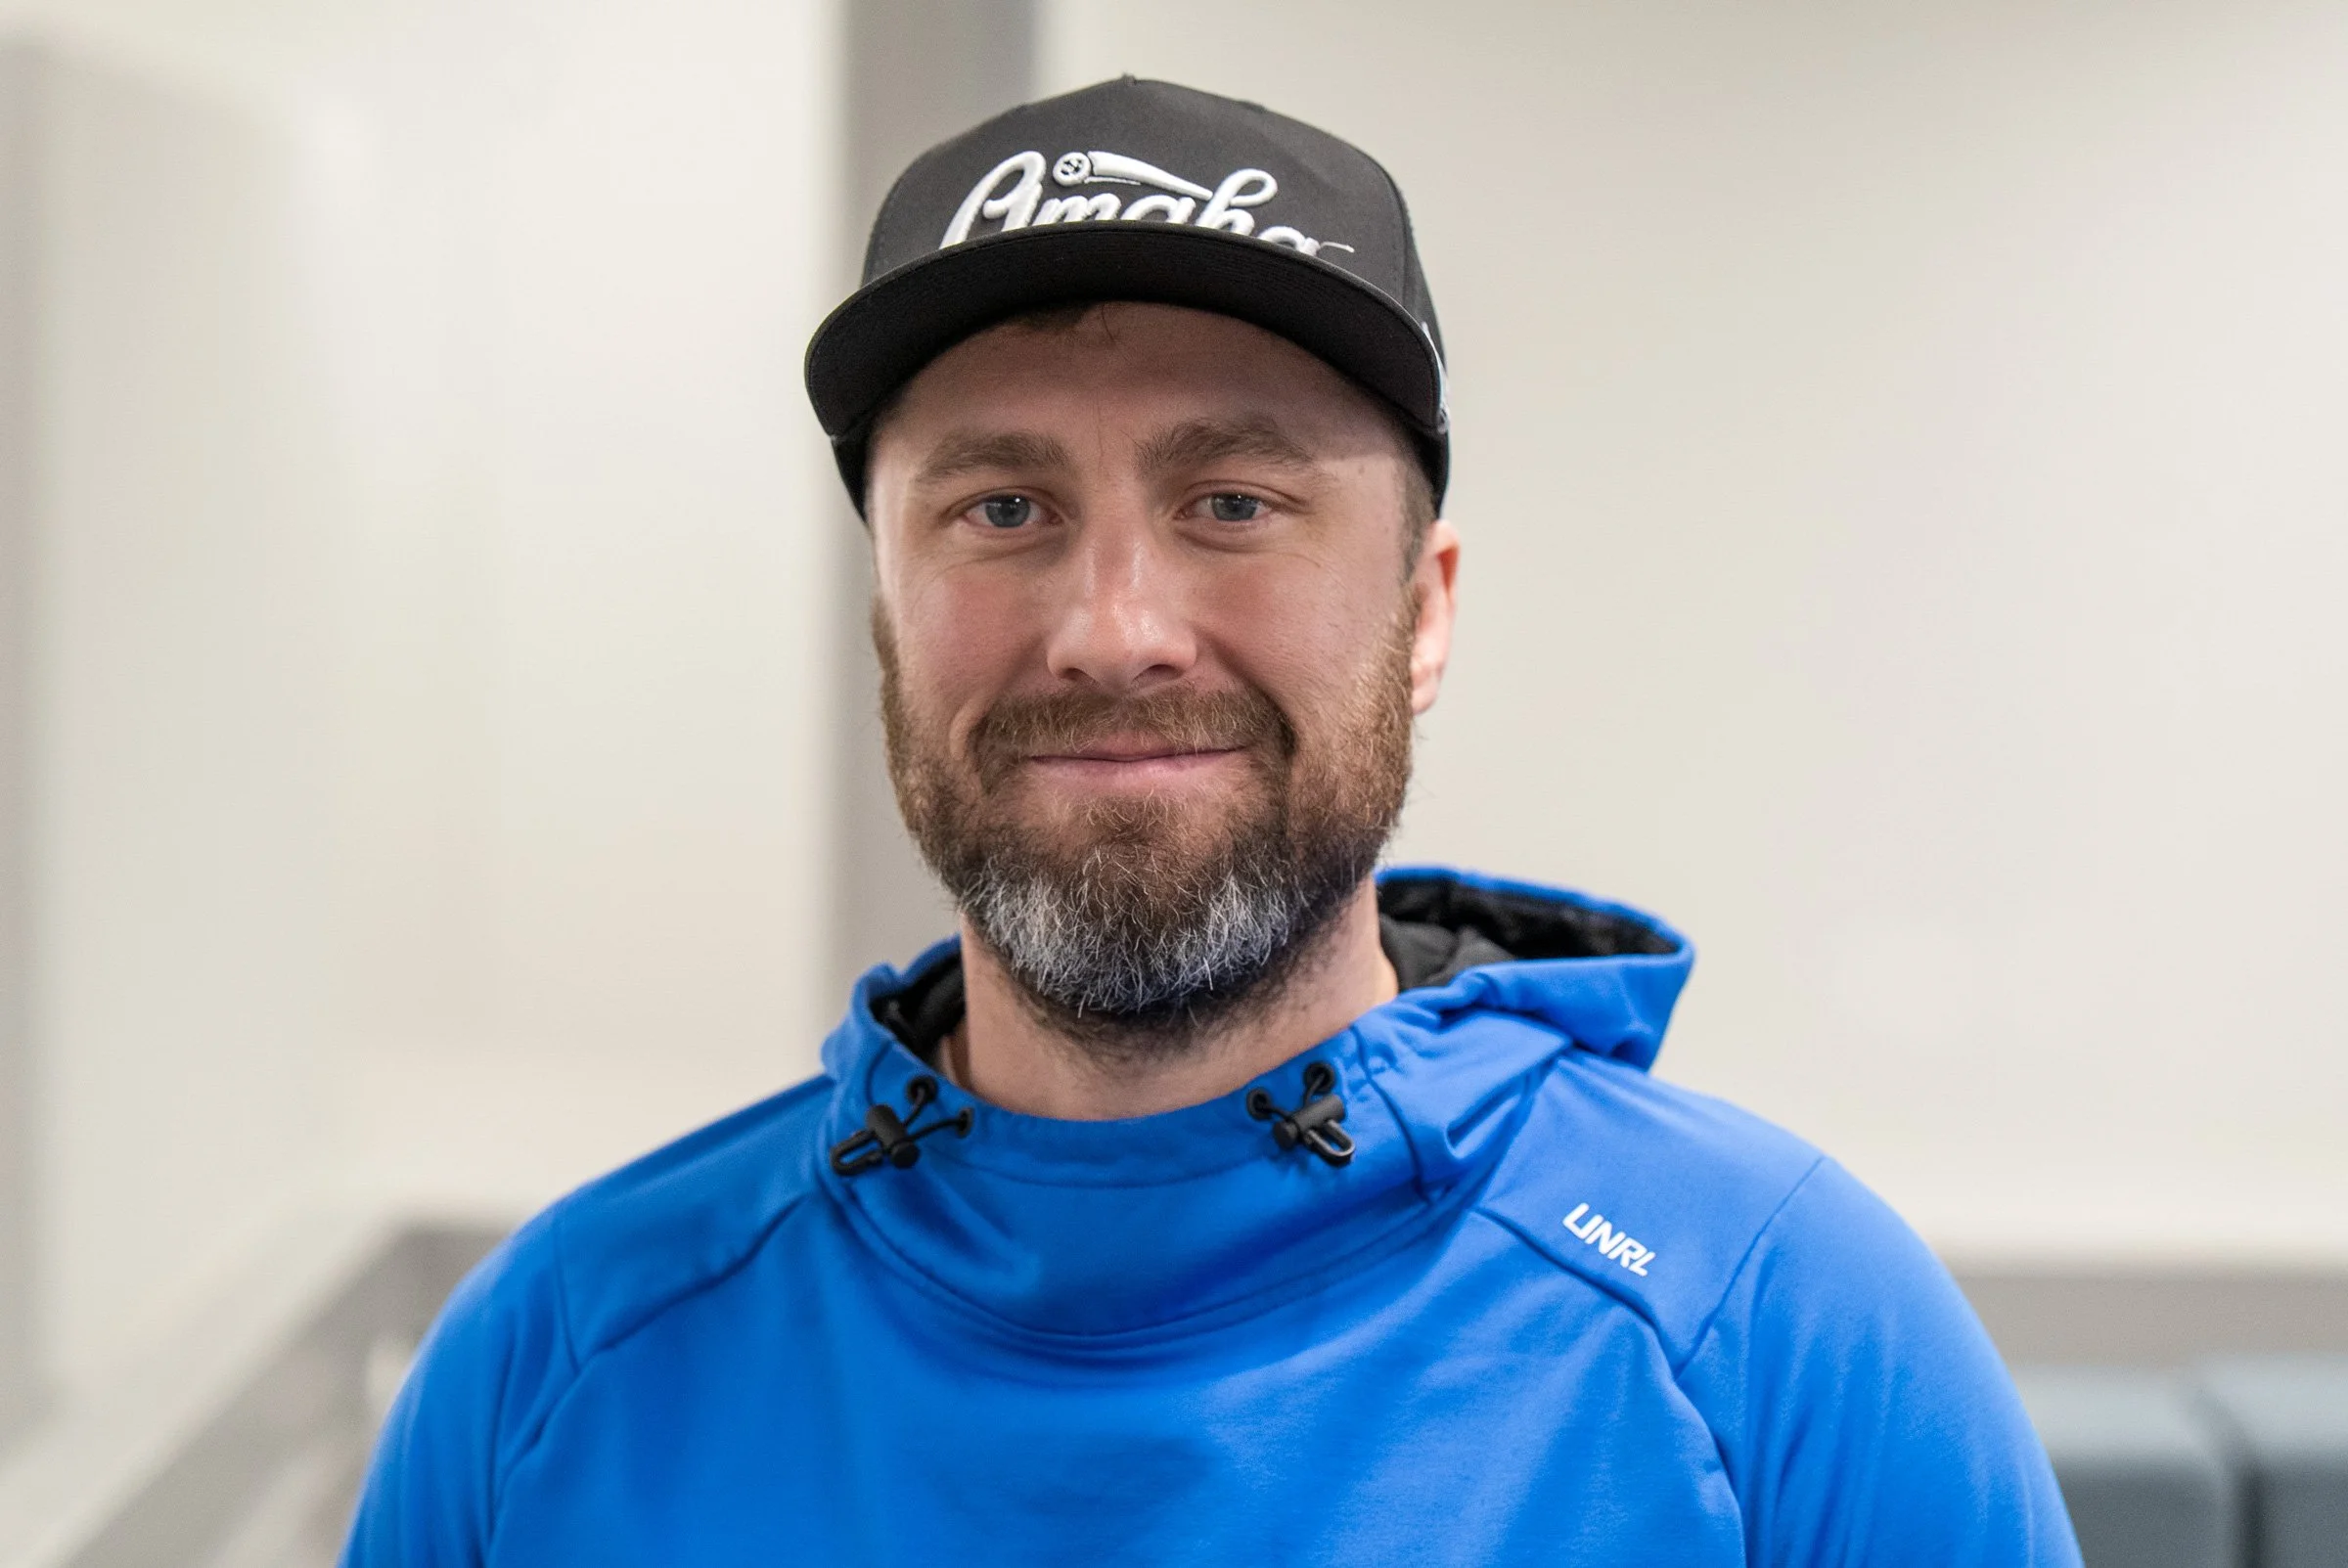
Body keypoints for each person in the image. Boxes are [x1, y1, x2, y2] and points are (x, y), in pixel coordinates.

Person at [342, 77, 2079, 1567]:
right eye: (1002, 507)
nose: (1113, 630)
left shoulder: (1773, 1335)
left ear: (1423, 613)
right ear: (887, 625)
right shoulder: (561, 1364)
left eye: (1234, 502)